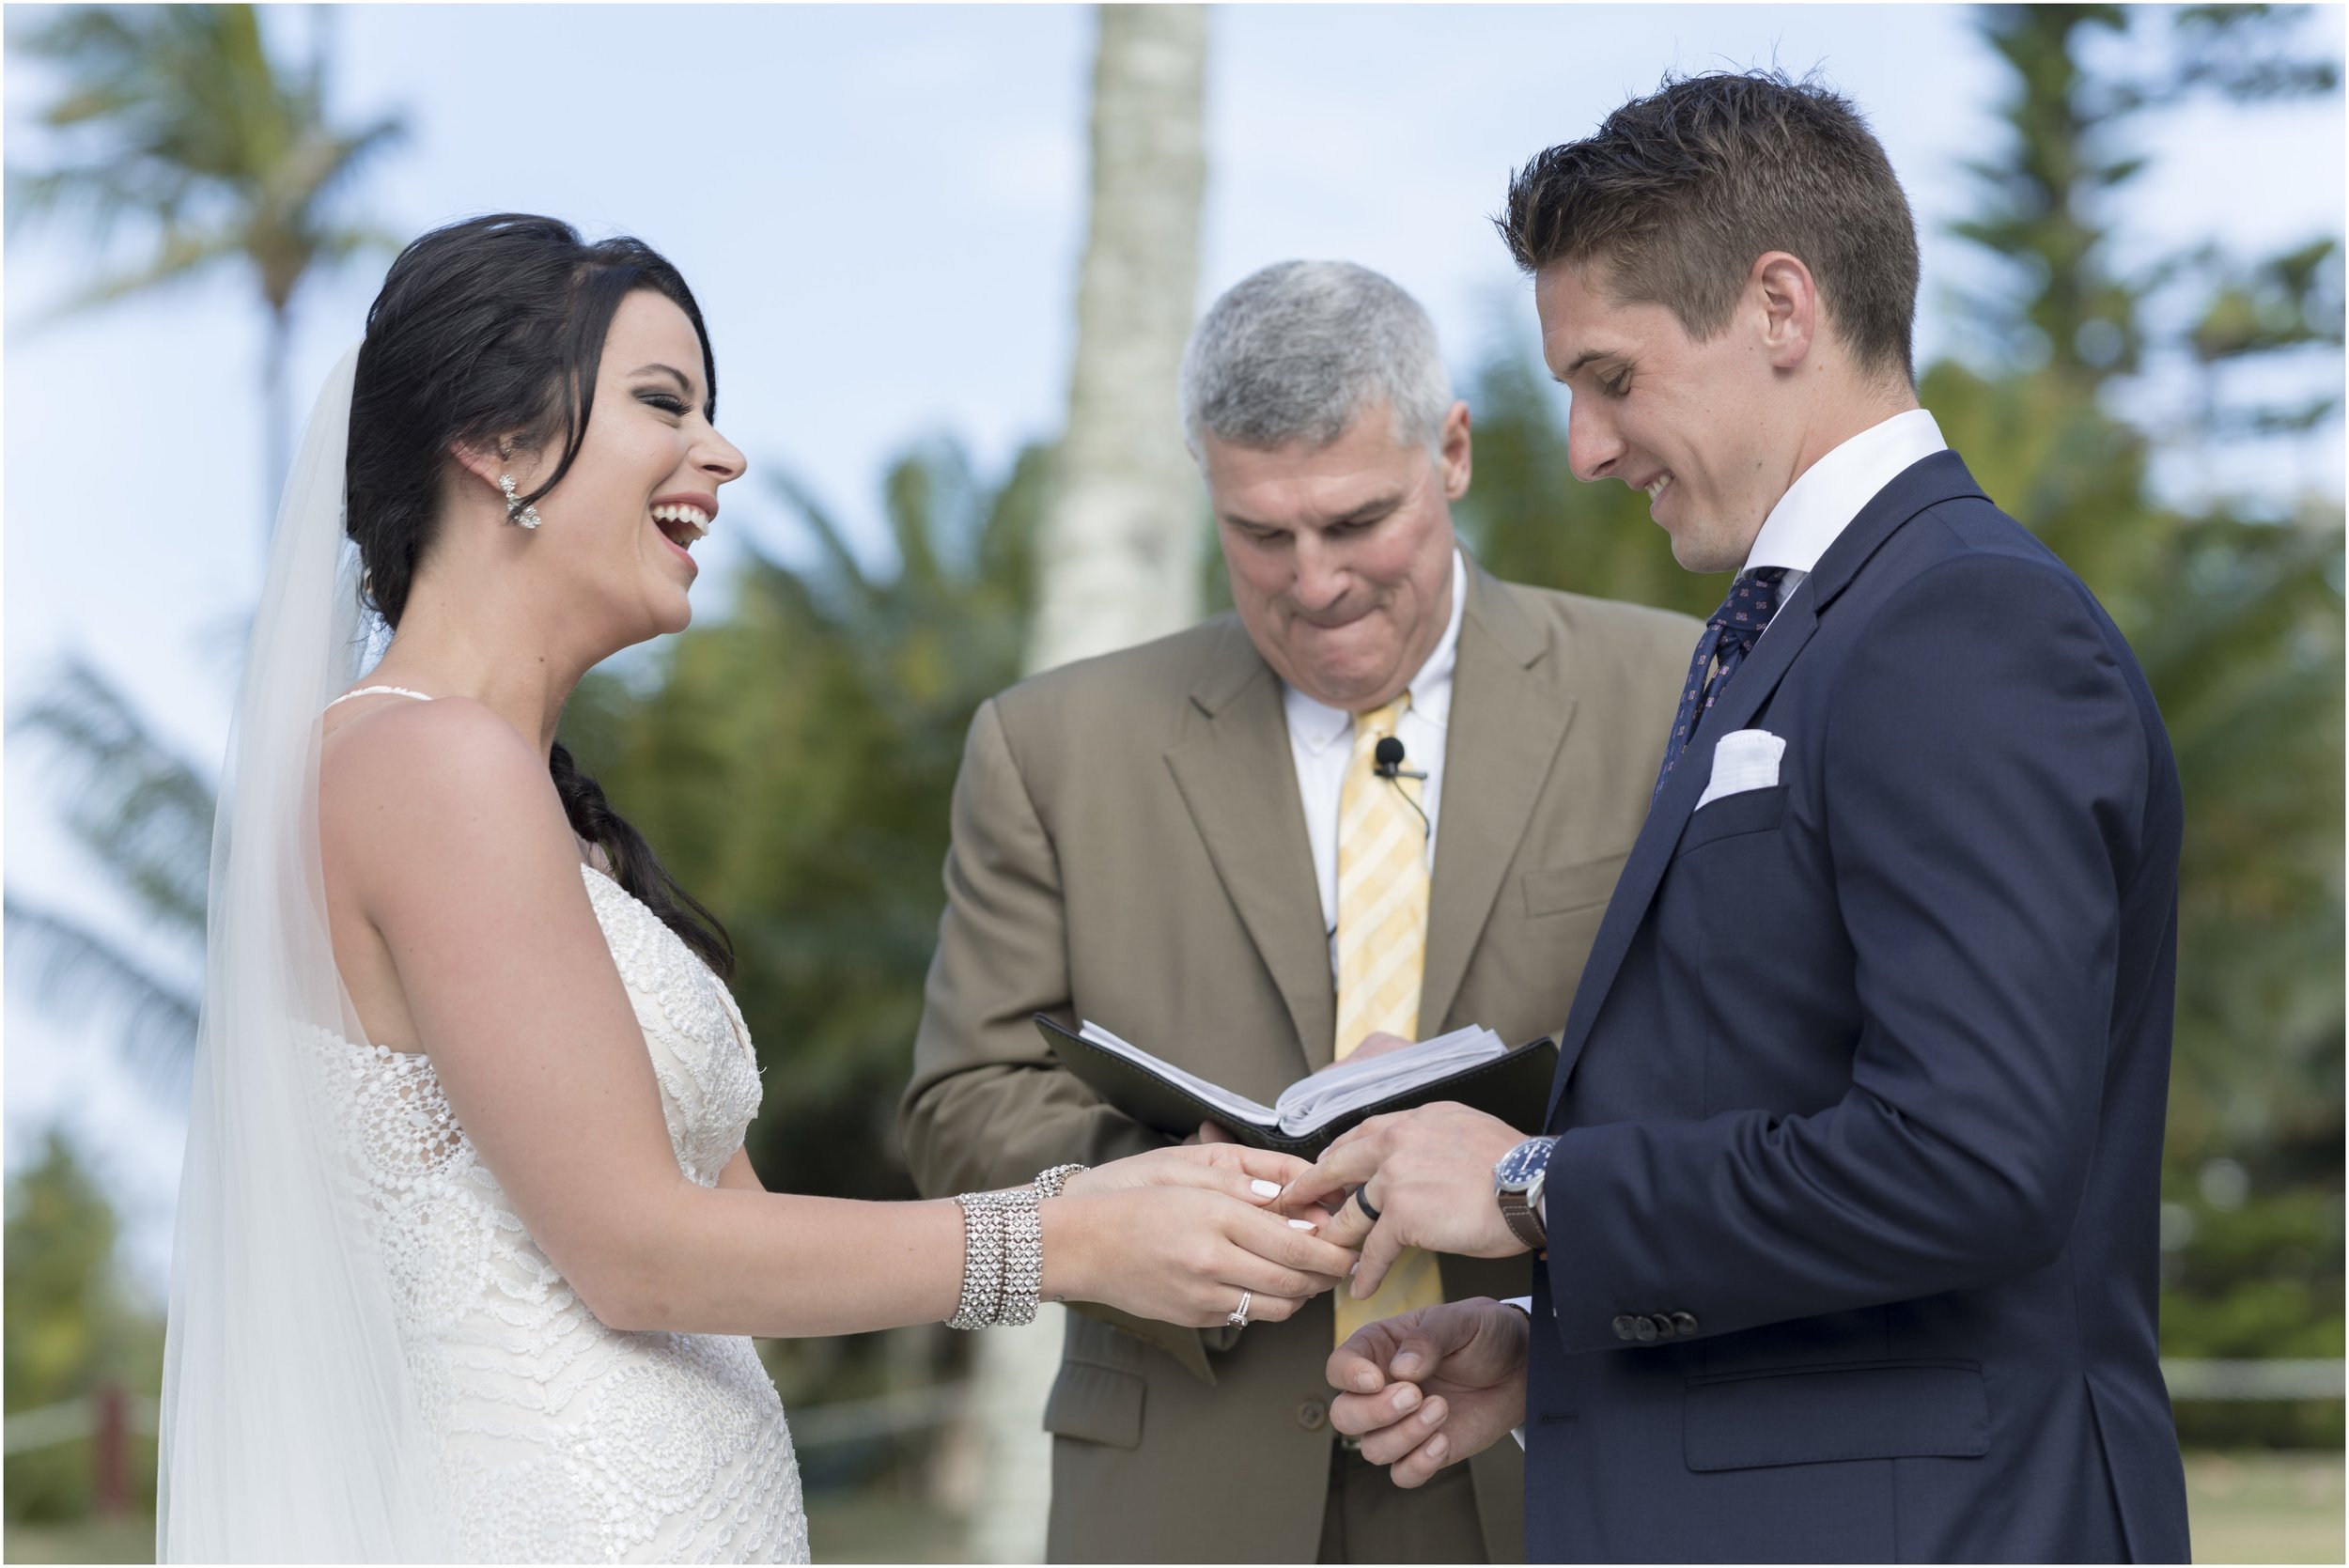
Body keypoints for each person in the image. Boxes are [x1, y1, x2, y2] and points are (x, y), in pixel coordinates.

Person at [156, 214, 1358, 1564]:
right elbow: (633, 1250)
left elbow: (733, 1237)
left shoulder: (541, 811)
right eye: (663, 403)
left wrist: (1129, 1198)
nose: (720, 455)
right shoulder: (420, 763)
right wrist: (1060, 1241)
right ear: (494, 447)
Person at [1289, 71, 2193, 1563]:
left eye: (1613, 378)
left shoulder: (1960, 624)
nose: (1583, 445)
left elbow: (1968, 1162)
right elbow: (1770, 1085)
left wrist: (1530, 1186)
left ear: (1782, 308)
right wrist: (1559, 1344)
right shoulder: (1807, 631)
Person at [899, 260, 1697, 1563]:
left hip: (1569, 1456)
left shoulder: (1672, 689)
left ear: (1451, 451)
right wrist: (1161, 1205)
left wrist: (1522, 1176)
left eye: (1356, 521)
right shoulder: (1050, 746)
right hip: (1180, 1493)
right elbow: (960, 1102)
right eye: (1260, 534)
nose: (1313, 581)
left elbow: (1747, 1062)